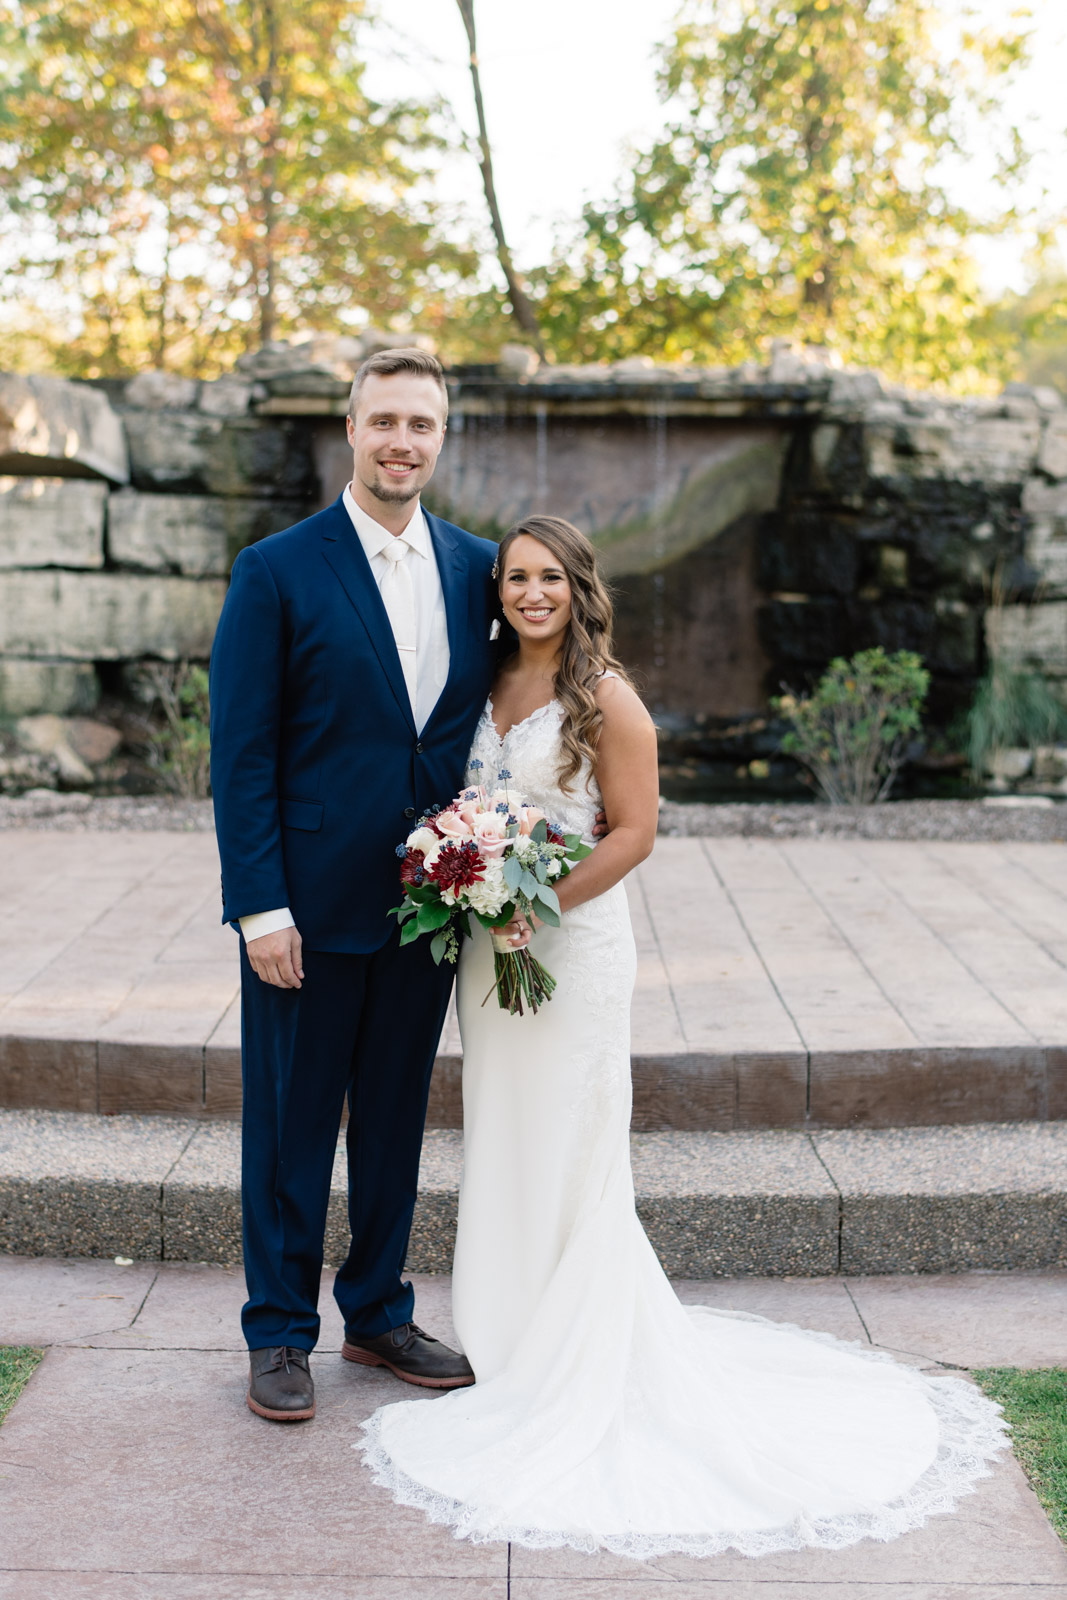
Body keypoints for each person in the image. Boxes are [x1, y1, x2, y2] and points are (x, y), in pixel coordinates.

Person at [358, 514, 1008, 1559]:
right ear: (498, 591)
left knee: (570, 1138)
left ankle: (574, 1347)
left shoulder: (604, 697)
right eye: (515, 577)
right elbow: (463, 806)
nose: (531, 593)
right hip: (490, 947)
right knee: (507, 1128)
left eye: (549, 578)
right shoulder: (478, 687)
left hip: (568, 946)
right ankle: (510, 1328)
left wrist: (541, 904)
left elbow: (635, 830)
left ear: (577, 587)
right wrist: (468, 878)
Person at [209, 348, 498, 1421]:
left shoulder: (476, 569)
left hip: (429, 906)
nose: (401, 441)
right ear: (351, 428)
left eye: (420, 424)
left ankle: (376, 1310)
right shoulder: (276, 569)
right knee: (288, 1126)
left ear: (440, 437)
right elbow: (240, 751)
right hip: (306, 906)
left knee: (393, 1120)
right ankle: (278, 1330)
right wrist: (259, 905)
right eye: (384, 420)